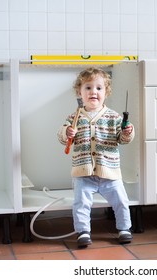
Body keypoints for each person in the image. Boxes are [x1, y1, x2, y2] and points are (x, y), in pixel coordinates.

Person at [57, 67, 134, 248]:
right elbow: (62, 137)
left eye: (99, 88)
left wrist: (127, 132)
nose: (94, 92)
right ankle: (83, 231)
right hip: (83, 173)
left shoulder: (114, 117)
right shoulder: (73, 117)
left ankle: (124, 228)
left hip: (109, 171)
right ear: (80, 92)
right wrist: (66, 132)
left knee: (121, 200)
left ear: (106, 92)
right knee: (81, 203)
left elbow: (122, 139)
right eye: (88, 88)